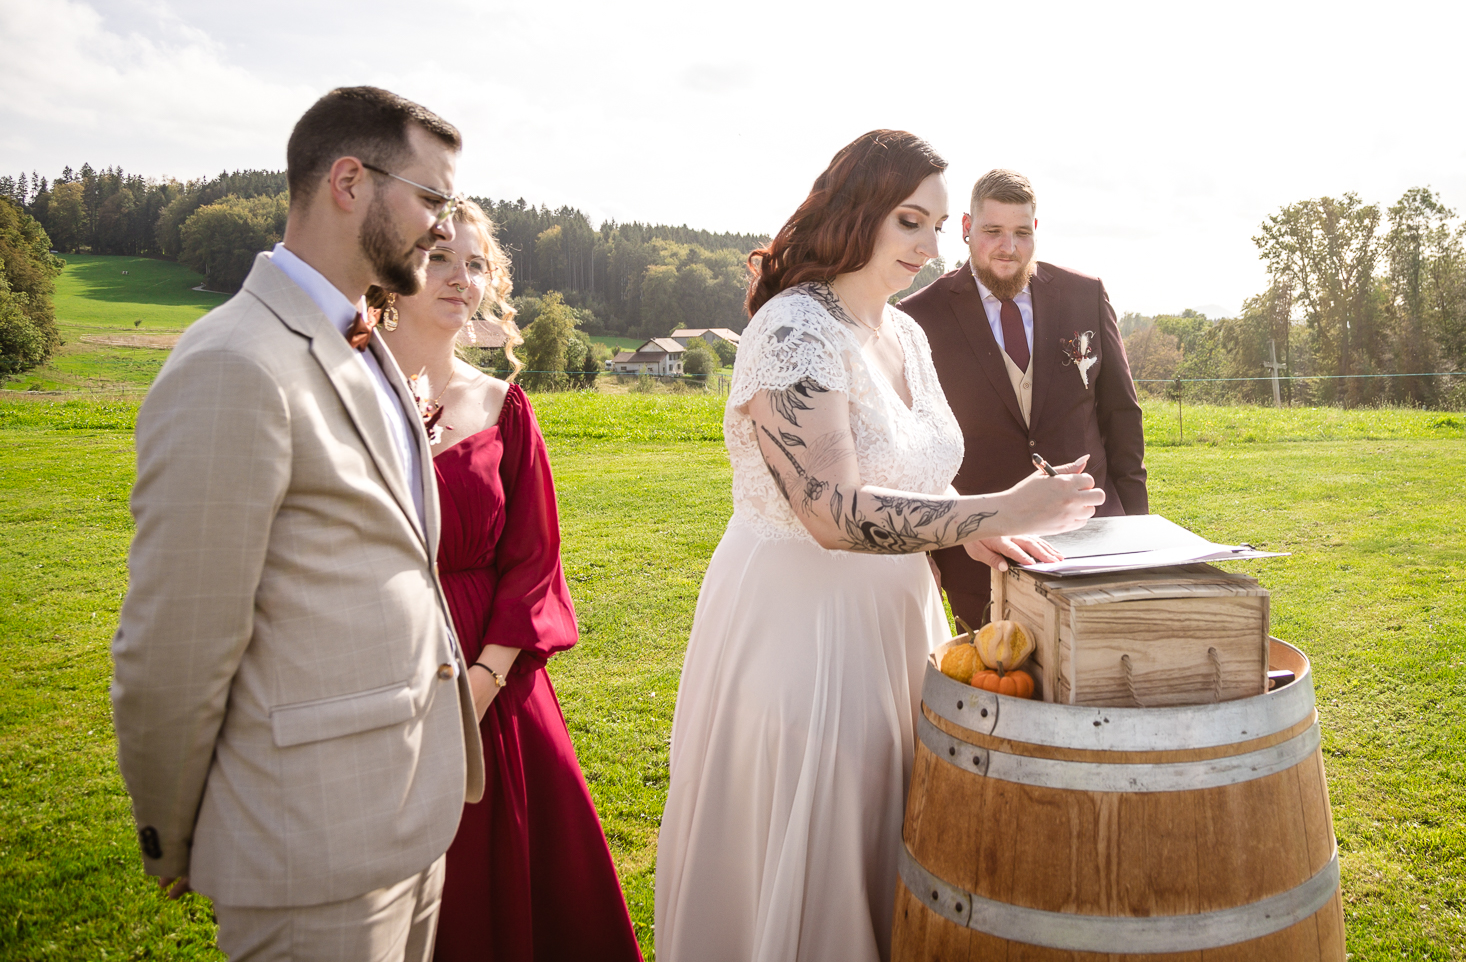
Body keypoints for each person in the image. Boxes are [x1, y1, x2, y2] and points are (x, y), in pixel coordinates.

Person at [653, 131, 1104, 962]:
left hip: (900, 616)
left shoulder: (906, 335)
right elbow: (829, 512)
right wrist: (994, 508)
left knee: (895, 828)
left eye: (935, 226)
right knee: (817, 838)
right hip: (800, 626)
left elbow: (914, 479)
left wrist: (981, 529)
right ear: (858, 209)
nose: (929, 247)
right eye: (909, 221)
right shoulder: (793, 330)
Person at [111, 86, 484, 962]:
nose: (443, 228)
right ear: (349, 182)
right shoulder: (236, 364)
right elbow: (176, 639)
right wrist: (170, 825)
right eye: (432, 199)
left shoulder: (363, 342)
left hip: (404, 822)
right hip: (306, 847)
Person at [371, 199, 642, 962]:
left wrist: (478, 688)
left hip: (496, 686)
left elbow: (533, 564)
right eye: (438, 257)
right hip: (376, 671)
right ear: (391, 269)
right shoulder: (340, 387)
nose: (462, 278)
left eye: (477, 264)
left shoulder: (503, 406)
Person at [899, 169, 1148, 630]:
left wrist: (1138, 528)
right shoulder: (918, 316)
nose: (1007, 247)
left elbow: (1121, 416)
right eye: (993, 231)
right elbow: (913, 448)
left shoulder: (1085, 295)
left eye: (1021, 232)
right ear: (967, 228)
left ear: (1035, 229)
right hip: (981, 553)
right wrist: (925, 550)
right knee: (996, 670)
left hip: (1094, 537)